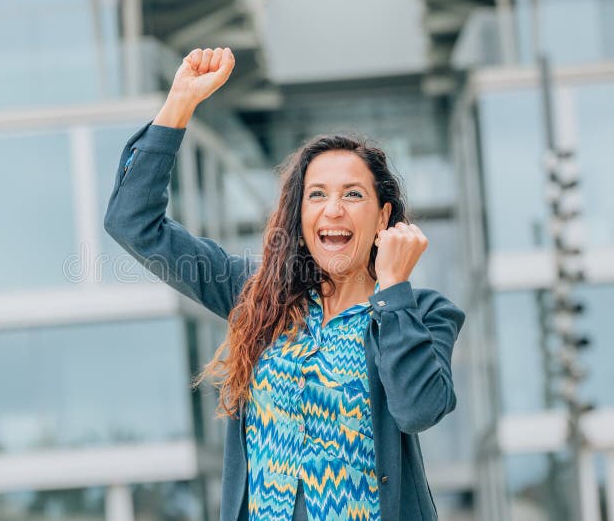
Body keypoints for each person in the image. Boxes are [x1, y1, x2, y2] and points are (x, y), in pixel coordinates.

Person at [104, 47, 466, 521]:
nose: (333, 208)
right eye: (317, 195)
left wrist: (394, 289)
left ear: (382, 218)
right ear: (300, 217)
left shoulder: (423, 313)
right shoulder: (258, 296)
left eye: (352, 194)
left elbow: (418, 409)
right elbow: (133, 224)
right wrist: (178, 106)